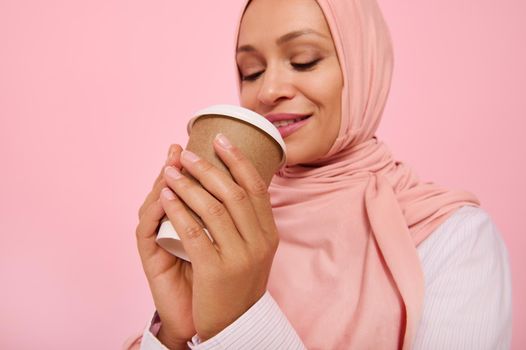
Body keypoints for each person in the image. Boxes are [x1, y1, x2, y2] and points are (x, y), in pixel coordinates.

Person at [124, 0, 512, 349]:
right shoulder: (221, 226)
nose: (268, 90)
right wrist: (174, 335)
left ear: (363, 69)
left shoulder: (454, 237)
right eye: (251, 71)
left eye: (304, 60)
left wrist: (240, 318)